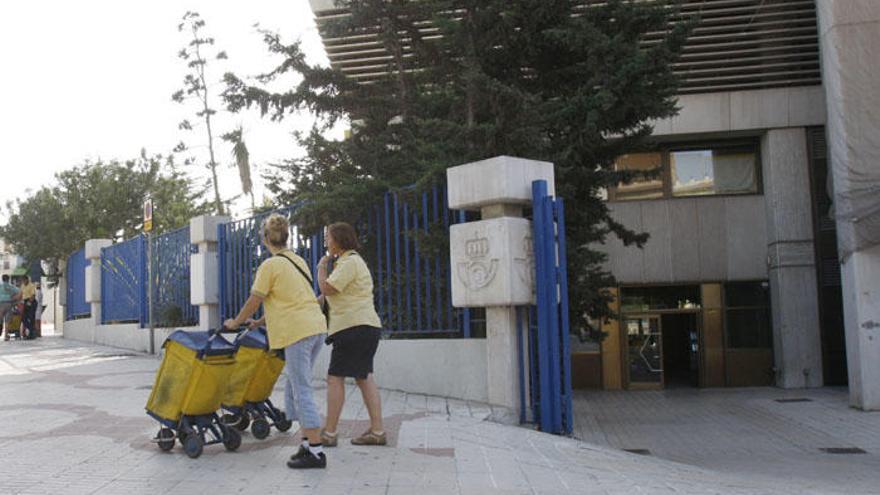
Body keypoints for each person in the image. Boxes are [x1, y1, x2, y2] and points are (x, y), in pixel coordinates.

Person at [222, 213, 329, 469]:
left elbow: (255, 300)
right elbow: (288, 299)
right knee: (294, 385)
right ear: (286, 236)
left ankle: (316, 451)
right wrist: (259, 323)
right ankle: (306, 445)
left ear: (265, 239)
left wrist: (236, 322)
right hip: (315, 326)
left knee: (301, 388)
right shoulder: (298, 260)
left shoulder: (269, 266)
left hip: (297, 332)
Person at [318, 222, 386, 447]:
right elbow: (328, 297)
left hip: (352, 328)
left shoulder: (349, 262)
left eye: (328, 237)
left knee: (335, 378)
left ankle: (329, 433)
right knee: (364, 377)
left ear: (339, 240)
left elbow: (328, 290)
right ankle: (377, 431)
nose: (326, 241)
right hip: (365, 327)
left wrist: (320, 269)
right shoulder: (350, 262)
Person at [0, 275, 22, 341]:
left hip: (0, 304)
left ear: (2, 279)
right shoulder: (11, 287)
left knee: (0, 320)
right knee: (7, 321)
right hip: (9, 304)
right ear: (8, 279)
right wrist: (14, 299)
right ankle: (6, 336)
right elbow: (20, 292)